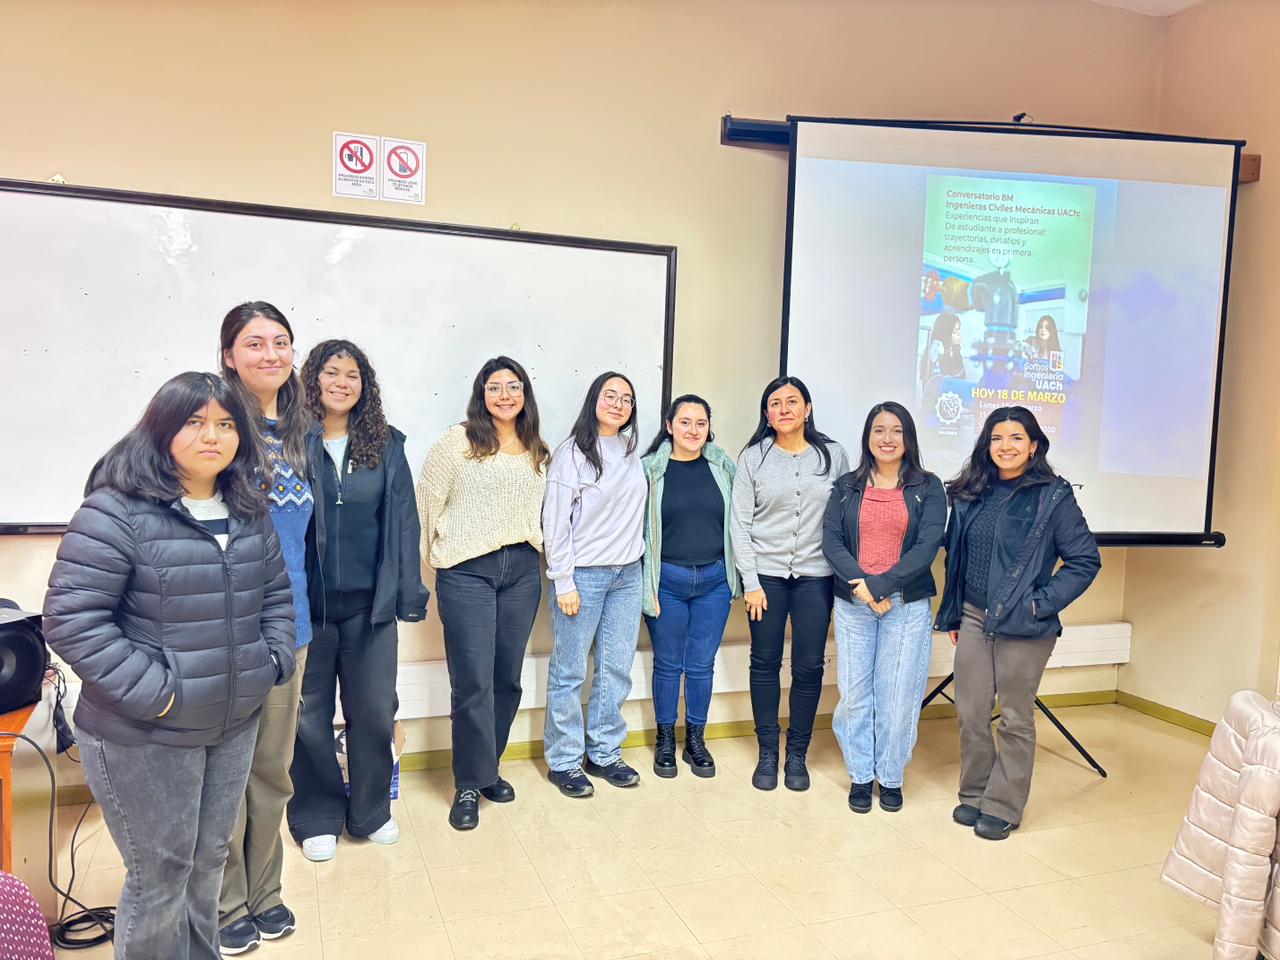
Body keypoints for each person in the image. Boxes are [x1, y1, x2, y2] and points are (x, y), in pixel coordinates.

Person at [43, 372, 296, 960]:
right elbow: (72, 621)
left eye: (227, 424)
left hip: (233, 721)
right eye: (195, 422)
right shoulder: (116, 510)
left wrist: (270, 664)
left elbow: (277, 597)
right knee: (161, 874)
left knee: (208, 861)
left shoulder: (248, 506)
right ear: (160, 428)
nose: (213, 436)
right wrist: (161, 694)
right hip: (146, 730)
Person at [288, 340, 429, 858]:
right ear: (313, 379)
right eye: (332, 372)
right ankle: (316, 813)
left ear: (364, 385)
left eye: (352, 375)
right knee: (308, 717)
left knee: (372, 711)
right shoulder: (291, 442)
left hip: (370, 609)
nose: (342, 382)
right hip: (310, 608)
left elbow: (404, 523)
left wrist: (407, 595)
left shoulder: (387, 444)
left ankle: (371, 810)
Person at [935, 405, 1101, 840]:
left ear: (1033, 445)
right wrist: (954, 610)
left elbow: (1085, 560)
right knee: (970, 712)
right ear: (986, 445)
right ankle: (974, 794)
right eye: (996, 438)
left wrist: (1038, 605)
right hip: (973, 616)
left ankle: (1004, 804)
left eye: (1015, 438)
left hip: (1024, 626)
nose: (1005, 446)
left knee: (1013, 716)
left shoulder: (1053, 495)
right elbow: (958, 559)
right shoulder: (973, 492)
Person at [216, 301, 319, 954]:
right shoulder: (212, 424)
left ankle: (265, 895)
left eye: (282, 342)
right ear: (229, 355)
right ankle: (225, 903)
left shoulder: (303, 432)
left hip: (293, 626)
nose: (271, 354)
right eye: (255, 343)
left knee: (273, 772)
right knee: (224, 774)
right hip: (220, 631)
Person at [416, 356, 549, 830]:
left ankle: (487, 767)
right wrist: (439, 559)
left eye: (515, 386)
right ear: (482, 393)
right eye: (496, 387)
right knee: (472, 680)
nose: (506, 395)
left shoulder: (538, 449)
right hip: (467, 571)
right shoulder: (459, 442)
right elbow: (428, 501)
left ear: (525, 394)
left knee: (506, 677)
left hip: (522, 571)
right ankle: (468, 783)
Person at [822, 401, 945, 813]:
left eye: (896, 430)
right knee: (855, 696)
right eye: (879, 430)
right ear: (867, 437)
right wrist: (864, 588)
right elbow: (832, 542)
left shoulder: (929, 487)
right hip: (854, 604)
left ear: (908, 437)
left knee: (897, 697)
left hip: (906, 604)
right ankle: (860, 775)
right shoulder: (846, 486)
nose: (887, 439)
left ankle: (890, 776)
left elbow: (927, 547)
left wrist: (881, 586)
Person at [731, 376, 849, 792]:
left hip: (816, 578)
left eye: (792, 402)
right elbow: (740, 523)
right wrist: (751, 581)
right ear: (767, 414)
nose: (784, 409)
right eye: (775, 404)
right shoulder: (753, 458)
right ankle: (768, 751)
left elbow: (844, 518)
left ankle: (797, 753)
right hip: (765, 579)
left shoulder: (833, 456)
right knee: (764, 663)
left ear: (808, 408)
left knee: (809, 665)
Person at [541, 371, 646, 797]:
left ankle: (604, 752)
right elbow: (555, 522)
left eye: (626, 399)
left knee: (616, 669)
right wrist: (563, 581)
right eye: (610, 395)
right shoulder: (572, 453)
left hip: (628, 574)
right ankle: (564, 761)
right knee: (569, 671)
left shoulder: (631, 450)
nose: (618, 404)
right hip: (582, 576)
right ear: (594, 400)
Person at [641, 394, 740, 779]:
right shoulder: (650, 470)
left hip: (715, 581)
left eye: (700, 423)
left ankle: (695, 739)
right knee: (667, 664)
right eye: (684, 422)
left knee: (701, 665)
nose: (693, 430)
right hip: (667, 581)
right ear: (669, 426)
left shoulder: (722, 466)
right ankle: (665, 738)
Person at [921, 312, 966, 383]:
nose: (959, 334)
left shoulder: (954, 350)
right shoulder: (937, 348)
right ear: (945, 333)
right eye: (955, 331)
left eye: (959, 329)